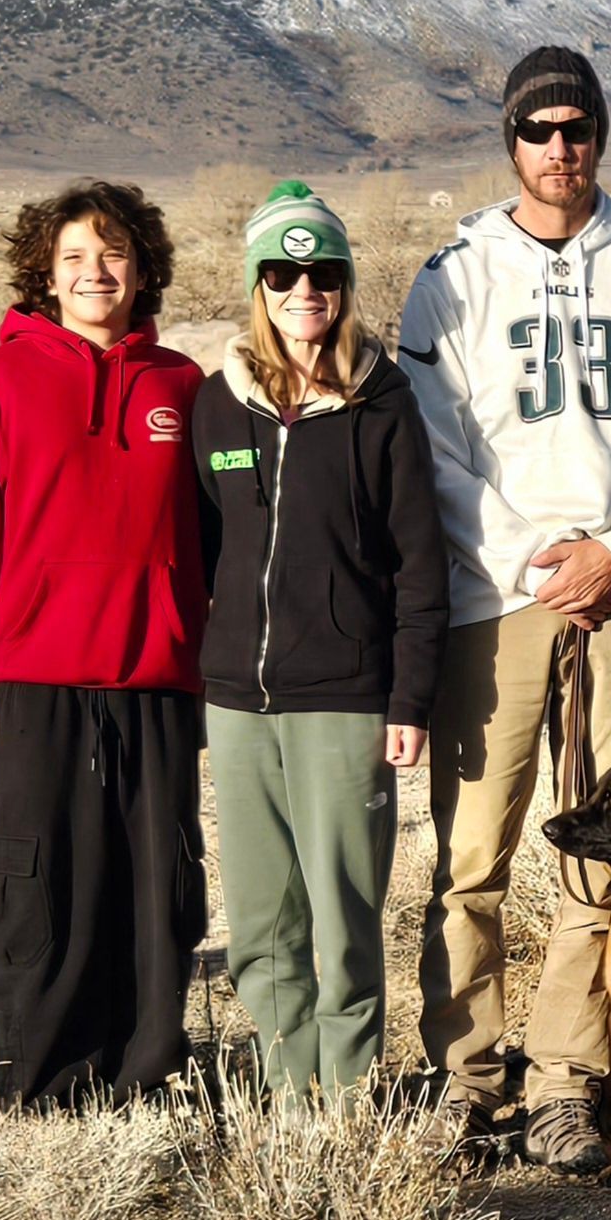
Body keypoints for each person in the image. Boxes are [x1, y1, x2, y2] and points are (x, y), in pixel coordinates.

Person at [400, 47, 611, 1173]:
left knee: (606, 856)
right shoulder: (452, 276)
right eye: (537, 128)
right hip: (496, 599)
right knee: (472, 853)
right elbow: (431, 450)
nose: (559, 147)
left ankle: (568, 1079)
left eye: (576, 125)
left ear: (601, 133)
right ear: (509, 138)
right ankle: (466, 1077)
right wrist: (534, 559)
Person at [0, 182, 208, 1104]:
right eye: (75, 258)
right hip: (32, 684)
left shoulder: (181, 385)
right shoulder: (0, 381)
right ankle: (43, 1087)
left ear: (142, 266)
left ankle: (144, 1082)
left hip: (158, 681)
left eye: (113, 254)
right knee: (37, 888)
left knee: (155, 889)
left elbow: (213, 542)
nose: (96, 273)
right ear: (45, 274)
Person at [193, 179, 447, 1106]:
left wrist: (409, 697)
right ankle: (285, 1097)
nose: (305, 289)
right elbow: (202, 550)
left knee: (342, 912)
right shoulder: (218, 407)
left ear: (343, 283)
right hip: (238, 701)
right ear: (256, 285)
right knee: (262, 918)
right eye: (283, 272)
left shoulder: (384, 405)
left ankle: (344, 1105)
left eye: (323, 272)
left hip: (345, 695)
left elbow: (422, 565)